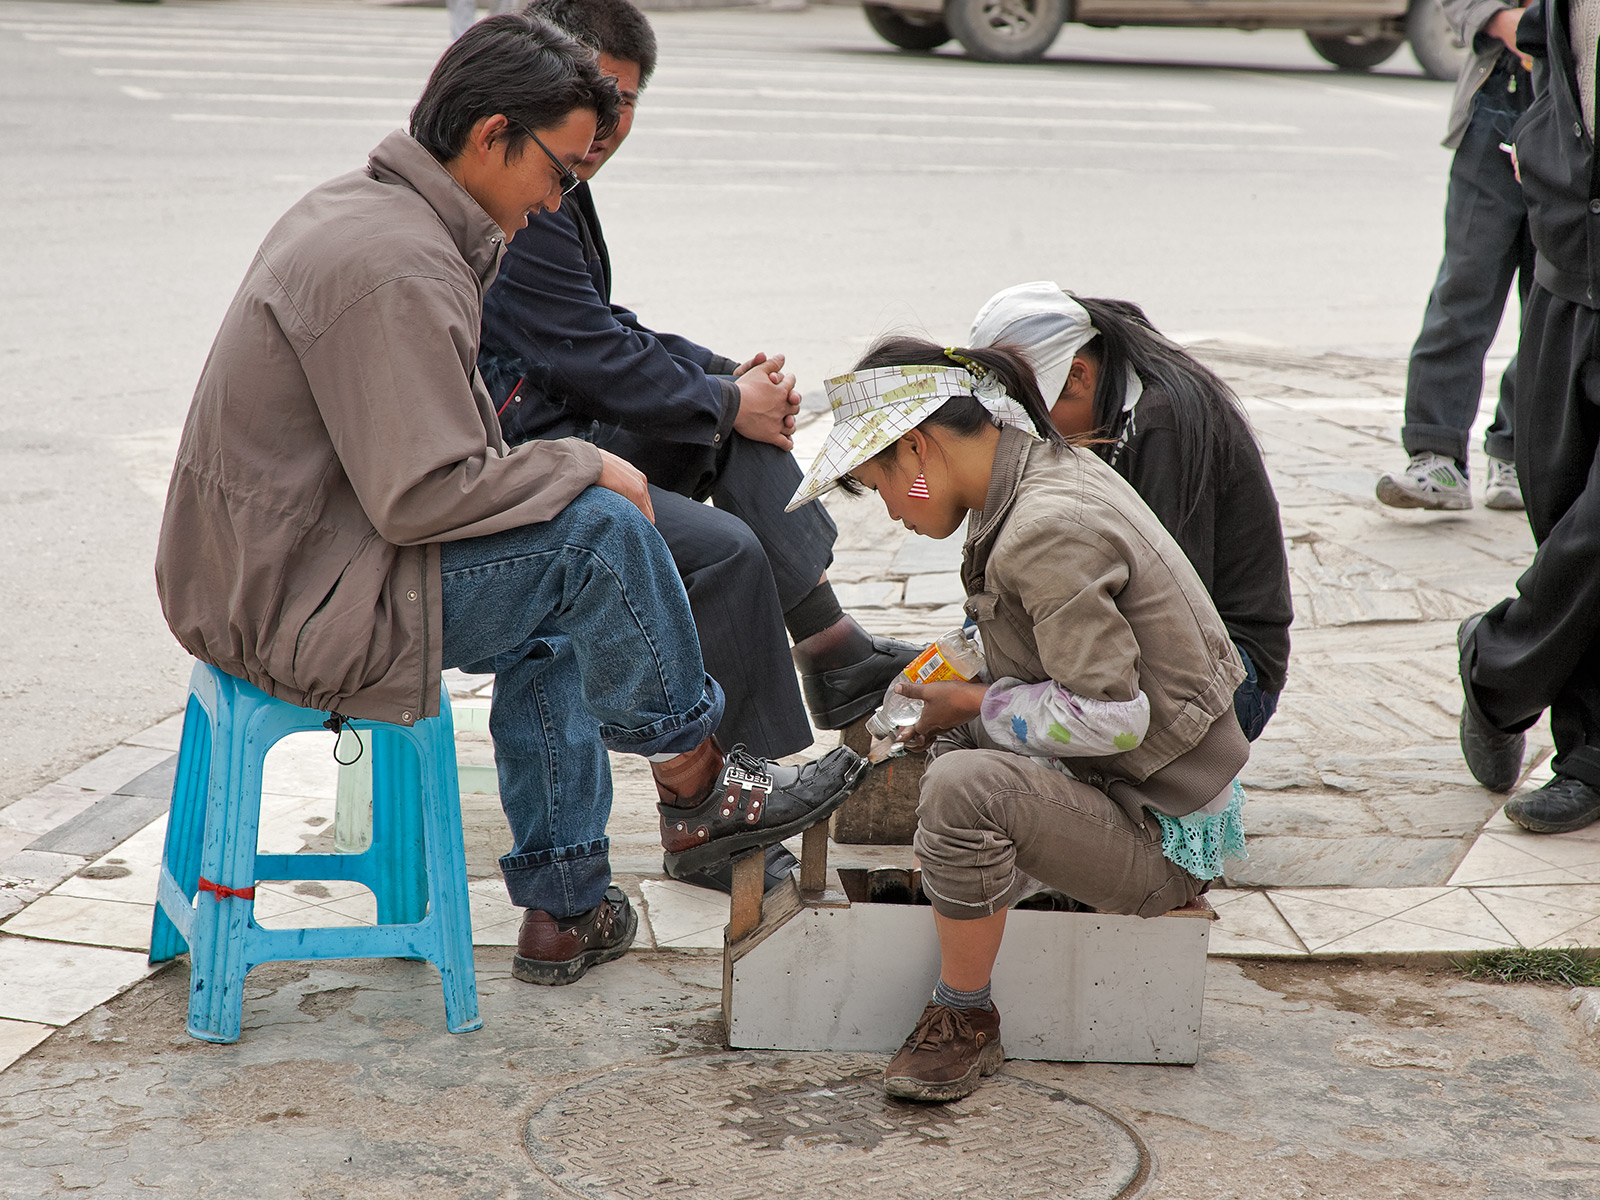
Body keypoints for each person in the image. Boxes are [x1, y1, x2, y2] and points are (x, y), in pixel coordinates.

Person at [154, 14, 864, 991]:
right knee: (596, 538)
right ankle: (696, 785)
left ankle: (567, 904)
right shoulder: (398, 263)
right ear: (492, 134)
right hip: (299, 600)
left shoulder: (377, 215)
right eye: (560, 169)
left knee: (570, 582)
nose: (561, 194)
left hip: (303, 561)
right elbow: (423, 495)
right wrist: (582, 467)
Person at [786, 338, 1250, 1102]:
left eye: (880, 486)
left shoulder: (1044, 527)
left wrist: (970, 702)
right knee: (951, 743)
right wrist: (946, 679)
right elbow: (1021, 635)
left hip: (1164, 831)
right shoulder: (1037, 474)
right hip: (1153, 788)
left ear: (917, 449)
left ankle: (964, 1015)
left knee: (965, 786)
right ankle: (988, 893)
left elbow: (1112, 718)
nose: (894, 513)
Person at [476, 0, 919, 791]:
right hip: (529, 464)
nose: (609, 121)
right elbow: (593, 354)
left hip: (566, 433)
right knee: (724, 554)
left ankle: (830, 646)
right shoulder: (524, 185)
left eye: (628, 100)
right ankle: (740, 790)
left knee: (739, 432)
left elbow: (600, 324)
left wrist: (730, 384)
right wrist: (723, 396)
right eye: (597, 94)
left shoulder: (559, 177)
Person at [968, 282, 1291, 742]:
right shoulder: (1123, 395)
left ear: (1078, 376)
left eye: (1037, 419)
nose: (1037, 438)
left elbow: (1169, 619)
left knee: (1066, 704)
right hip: (1190, 659)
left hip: (1232, 681)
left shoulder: (1161, 425)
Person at [1457, 0, 1600, 832]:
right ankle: (1588, 752)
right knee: (1561, 510)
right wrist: (1548, 156)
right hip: (1566, 266)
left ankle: (1498, 665)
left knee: (1594, 531)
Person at [1375, 0, 1533, 513]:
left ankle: (1521, 453)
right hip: (1498, 101)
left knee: (1555, 300)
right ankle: (1436, 453)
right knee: (1465, 285)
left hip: (1576, 118)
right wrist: (1509, 23)